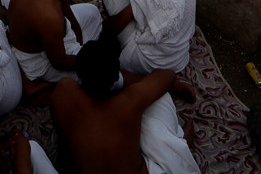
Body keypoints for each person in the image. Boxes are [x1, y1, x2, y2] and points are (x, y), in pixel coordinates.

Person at [52, 31, 200, 174]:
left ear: (78, 72)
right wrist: (176, 86)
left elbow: (63, 143)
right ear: (116, 75)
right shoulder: (129, 102)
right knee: (160, 98)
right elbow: (167, 76)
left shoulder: (64, 92)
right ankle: (180, 145)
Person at [6, 0, 103, 85]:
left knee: (93, 12)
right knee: (103, 76)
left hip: (49, 34)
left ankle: (80, 48)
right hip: (36, 59)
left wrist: (75, 25)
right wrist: (92, 60)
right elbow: (59, 62)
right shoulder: (50, 17)